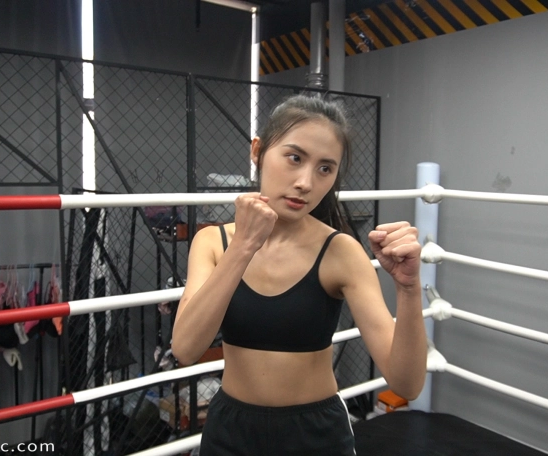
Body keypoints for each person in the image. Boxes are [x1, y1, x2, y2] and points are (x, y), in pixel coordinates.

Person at [173, 94, 428, 455]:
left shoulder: (340, 251)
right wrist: (243, 246)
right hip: (231, 431)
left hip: (315, 435)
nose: (306, 182)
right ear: (258, 151)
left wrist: (409, 288)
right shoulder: (213, 242)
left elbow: (407, 384)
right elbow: (185, 349)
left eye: (325, 169)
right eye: (294, 158)